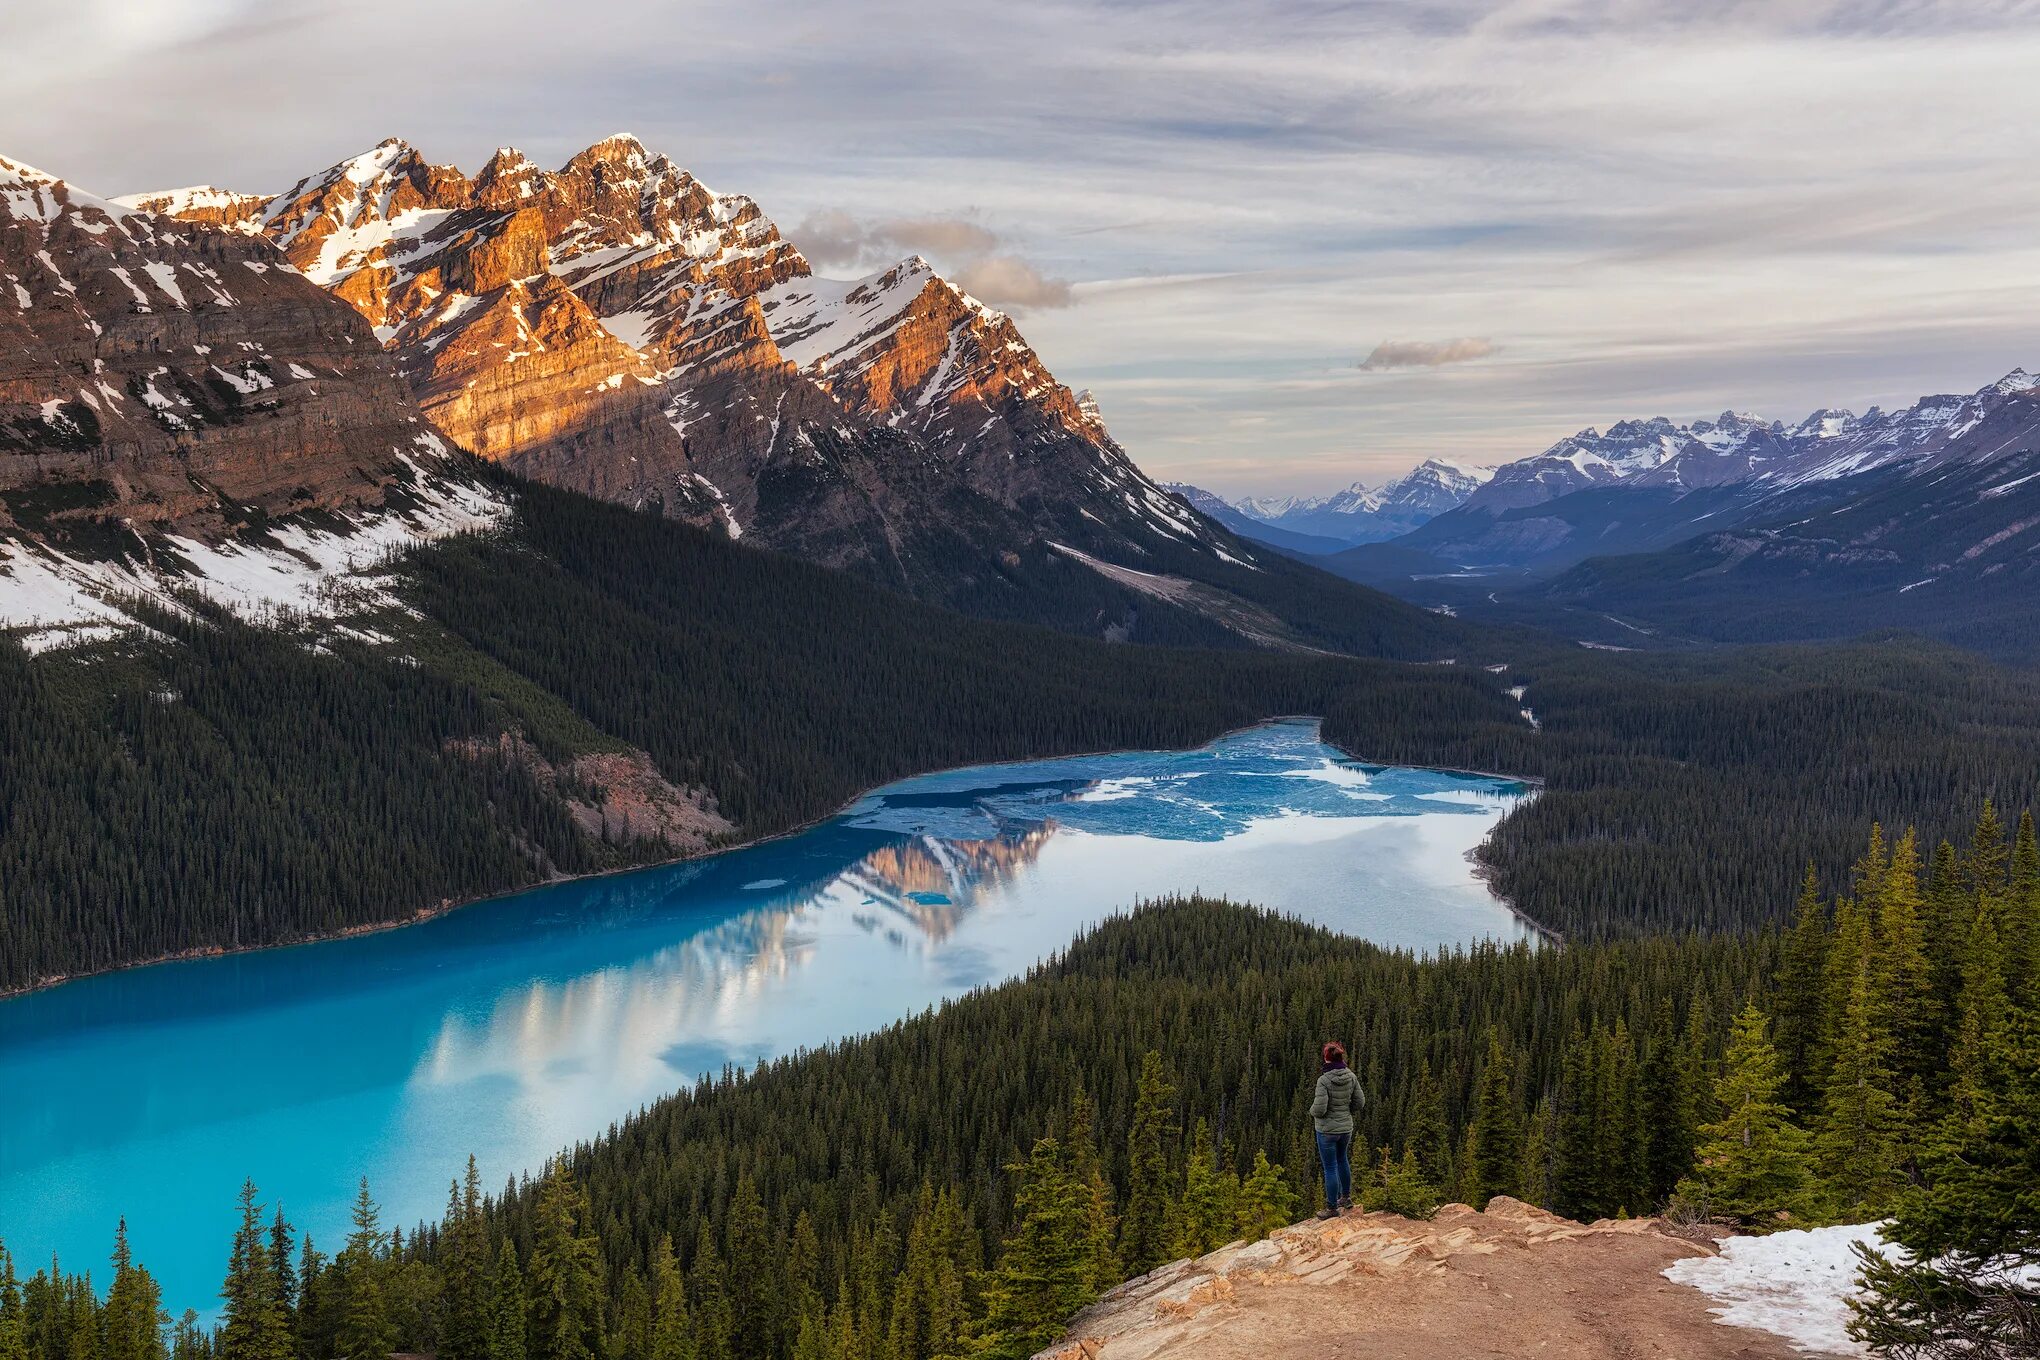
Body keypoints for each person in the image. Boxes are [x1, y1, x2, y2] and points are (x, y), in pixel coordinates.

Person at [1310, 1040, 1363, 1218]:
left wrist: (1311, 1111)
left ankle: (1332, 1208)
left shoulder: (1324, 1081)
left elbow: (1320, 1109)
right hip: (1345, 1128)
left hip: (1326, 1131)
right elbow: (1360, 1102)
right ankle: (1346, 1198)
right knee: (1342, 1160)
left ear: (1326, 1058)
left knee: (1330, 1168)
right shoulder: (1351, 1076)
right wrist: (1345, 1112)